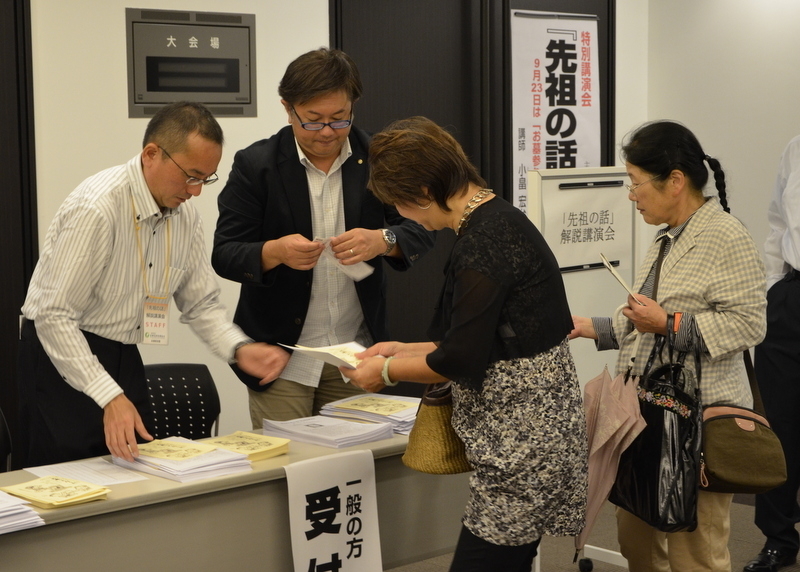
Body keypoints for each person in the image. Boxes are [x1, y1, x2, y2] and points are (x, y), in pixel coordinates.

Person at [343, 116, 588, 572]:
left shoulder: (483, 242)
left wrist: (386, 371)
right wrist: (398, 349)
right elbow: (477, 337)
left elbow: (459, 356)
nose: (404, 215)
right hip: (537, 430)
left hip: (522, 441)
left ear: (423, 193)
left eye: (400, 203)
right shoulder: (497, 220)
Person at [16, 101, 286, 469]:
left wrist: (238, 348)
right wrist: (109, 396)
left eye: (206, 178)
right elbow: (53, 316)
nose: (196, 192)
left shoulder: (184, 214)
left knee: (132, 473)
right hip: (59, 358)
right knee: (68, 485)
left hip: (124, 355)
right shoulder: (97, 207)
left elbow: (200, 304)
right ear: (151, 154)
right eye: (191, 175)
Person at [570, 120, 767, 571]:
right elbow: (645, 325)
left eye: (636, 183)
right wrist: (592, 326)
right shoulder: (666, 237)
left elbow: (749, 324)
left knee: (695, 553)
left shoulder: (725, 236)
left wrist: (668, 322)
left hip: (698, 425)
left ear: (675, 181)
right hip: (649, 417)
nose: (631, 194)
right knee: (637, 539)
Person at [211, 48, 434, 428]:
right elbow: (226, 253)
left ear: (354, 106)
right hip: (282, 355)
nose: (327, 132)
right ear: (288, 108)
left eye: (339, 119)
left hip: (356, 354)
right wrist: (274, 252)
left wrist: (382, 239)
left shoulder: (378, 157)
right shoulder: (257, 165)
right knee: (288, 470)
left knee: (357, 469)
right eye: (313, 121)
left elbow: (422, 228)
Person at [745, 135, 800, 572]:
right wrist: (772, 288)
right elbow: (779, 221)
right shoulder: (796, 147)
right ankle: (779, 537)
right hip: (790, 297)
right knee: (776, 423)